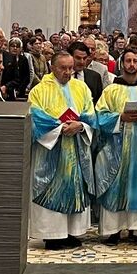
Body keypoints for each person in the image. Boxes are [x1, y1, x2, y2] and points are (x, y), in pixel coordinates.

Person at [28, 52, 97, 250]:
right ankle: (52, 235)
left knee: (75, 187)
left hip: (76, 148)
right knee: (51, 189)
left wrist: (80, 125)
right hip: (51, 151)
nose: (68, 72)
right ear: (52, 67)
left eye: (70, 68)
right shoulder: (39, 90)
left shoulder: (81, 87)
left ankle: (70, 232)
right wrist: (60, 128)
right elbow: (35, 117)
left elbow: (90, 114)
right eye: (63, 68)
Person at [94, 50, 137, 246]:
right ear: (122, 64)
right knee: (114, 185)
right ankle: (112, 230)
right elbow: (100, 115)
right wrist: (119, 117)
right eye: (128, 61)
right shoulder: (110, 90)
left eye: (135, 61)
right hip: (114, 148)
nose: (132, 64)